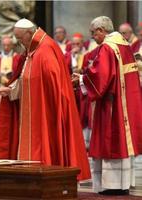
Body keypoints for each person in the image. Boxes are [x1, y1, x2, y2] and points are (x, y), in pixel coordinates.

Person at [0, 18, 91, 181]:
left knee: (45, 143)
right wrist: (11, 90)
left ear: (30, 33)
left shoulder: (45, 50)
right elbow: (26, 78)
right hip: (32, 111)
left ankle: (45, 177)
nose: (18, 42)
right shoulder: (32, 50)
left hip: (45, 111)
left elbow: (52, 84)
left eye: (20, 38)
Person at [72, 16, 142, 195]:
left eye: (94, 33)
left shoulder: (107, 48)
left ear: (102, 31)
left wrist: (81, 79)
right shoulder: (124, 44)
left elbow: (100, 77)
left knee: (111, 141)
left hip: (113, 106)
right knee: (123, 142)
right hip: (126, 101)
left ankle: (111, 185)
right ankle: (122, 184)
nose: (93, 37)